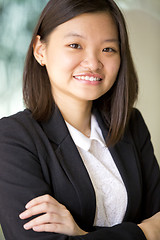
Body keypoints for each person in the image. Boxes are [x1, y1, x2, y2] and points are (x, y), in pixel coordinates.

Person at [0, 0, 160, 239]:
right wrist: (146, 232)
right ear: (40, 50)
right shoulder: (12, 138)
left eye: (108, 49)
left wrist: (81, 233)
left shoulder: (130, 124)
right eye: (75, 45)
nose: (94, 63)